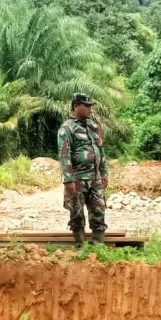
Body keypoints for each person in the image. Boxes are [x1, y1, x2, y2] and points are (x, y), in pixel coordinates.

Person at [57, 93, 108, 246]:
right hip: (78, 178)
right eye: (86, 106)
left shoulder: (93, 126)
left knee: (99, 210)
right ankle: (80, 245)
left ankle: (98, 245)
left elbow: (100, 150)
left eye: (90, 106)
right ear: (75, 106)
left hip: (95, 178)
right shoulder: (66, 129)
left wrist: (104, 172)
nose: (89, 109)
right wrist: (68, 180)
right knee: (77, 213)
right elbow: (64, 155)